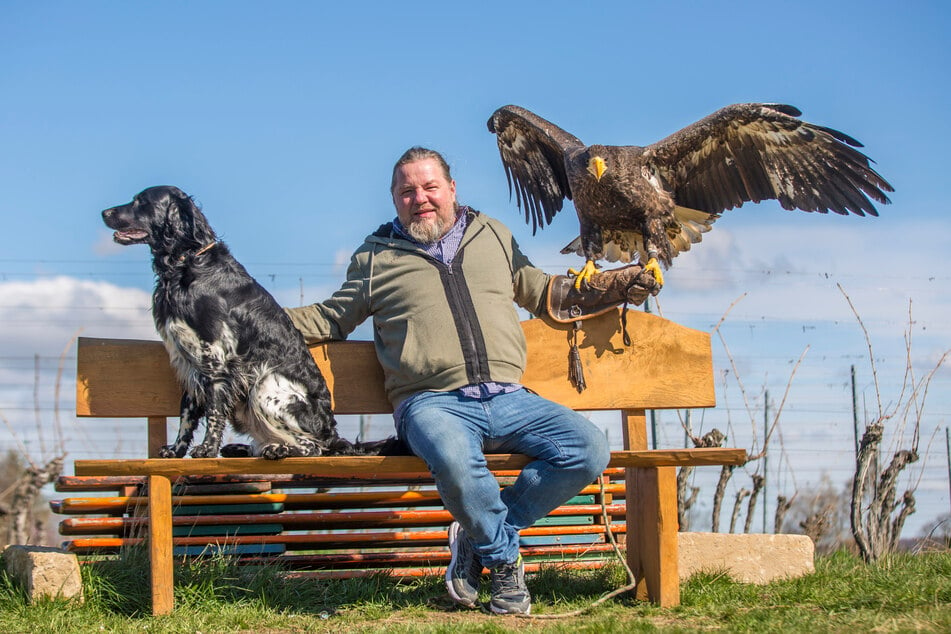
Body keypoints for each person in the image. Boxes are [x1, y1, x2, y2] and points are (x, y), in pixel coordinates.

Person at [286, 147, 654, 615]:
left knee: (588, 448)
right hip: (430, 403)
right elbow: (331, 317)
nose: (420, 198)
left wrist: (614, 286)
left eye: (429, 187)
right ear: (394, 199)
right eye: (407, 191)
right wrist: (247, 314)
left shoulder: (494, 235)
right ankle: (502, 563)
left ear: (451, 189)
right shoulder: (375, 257)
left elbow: (546, 295)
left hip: (511, 398)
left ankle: (479, 538)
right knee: (455, 458)